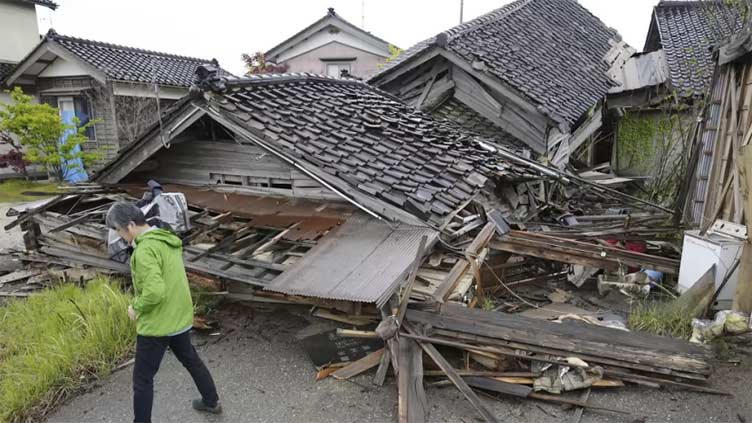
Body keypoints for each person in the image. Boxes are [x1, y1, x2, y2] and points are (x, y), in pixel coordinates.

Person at [106, 202, 221, 423]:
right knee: (191, 360)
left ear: (130, 225)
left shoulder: (145, 249)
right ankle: (211, 401)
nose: (121, 237)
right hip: (178, 316)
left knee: (142, 379)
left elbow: (154, 292)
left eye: (119, 231)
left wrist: (135, 306)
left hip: (158, 324)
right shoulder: (165, 238)